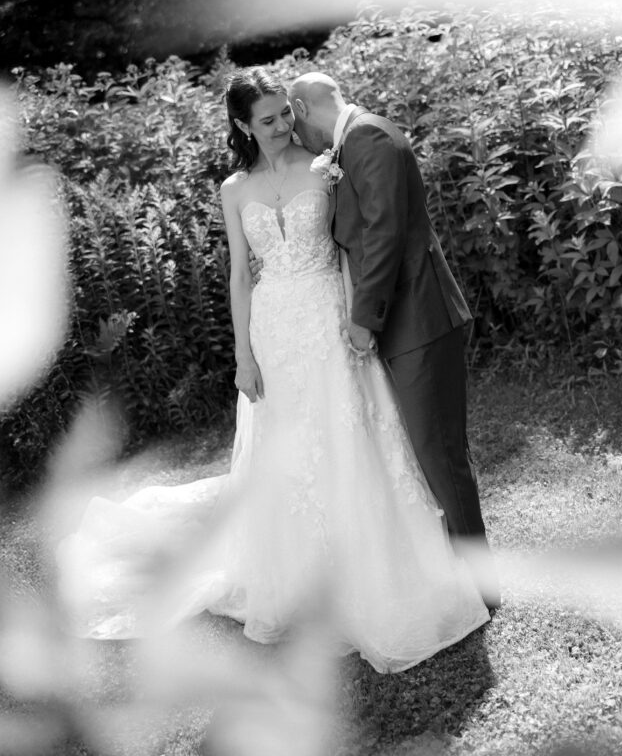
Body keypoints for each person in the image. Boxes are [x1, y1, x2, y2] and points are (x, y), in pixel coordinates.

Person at [56, 68, 489, 672]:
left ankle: (380, 567)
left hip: (331, 319)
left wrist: (364, 315)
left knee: (353, 433)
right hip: (275, 328)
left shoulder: (324, 164)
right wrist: (244, 355)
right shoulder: (234, 189)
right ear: (242, 125)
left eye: (287, 112)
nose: (284, 125)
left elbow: (358, 240)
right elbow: (239, 275)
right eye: (269, 119)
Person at [288, 72, 500, 610]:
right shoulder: (358, 138)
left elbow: (383, 233)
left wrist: (365, 317)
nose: (297, 137)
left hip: (419, 319)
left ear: (300, 107)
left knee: (440, 454)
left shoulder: (368, 139)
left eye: (292, 121)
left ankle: (480, 587)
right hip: (412, 320)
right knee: (433, 452)